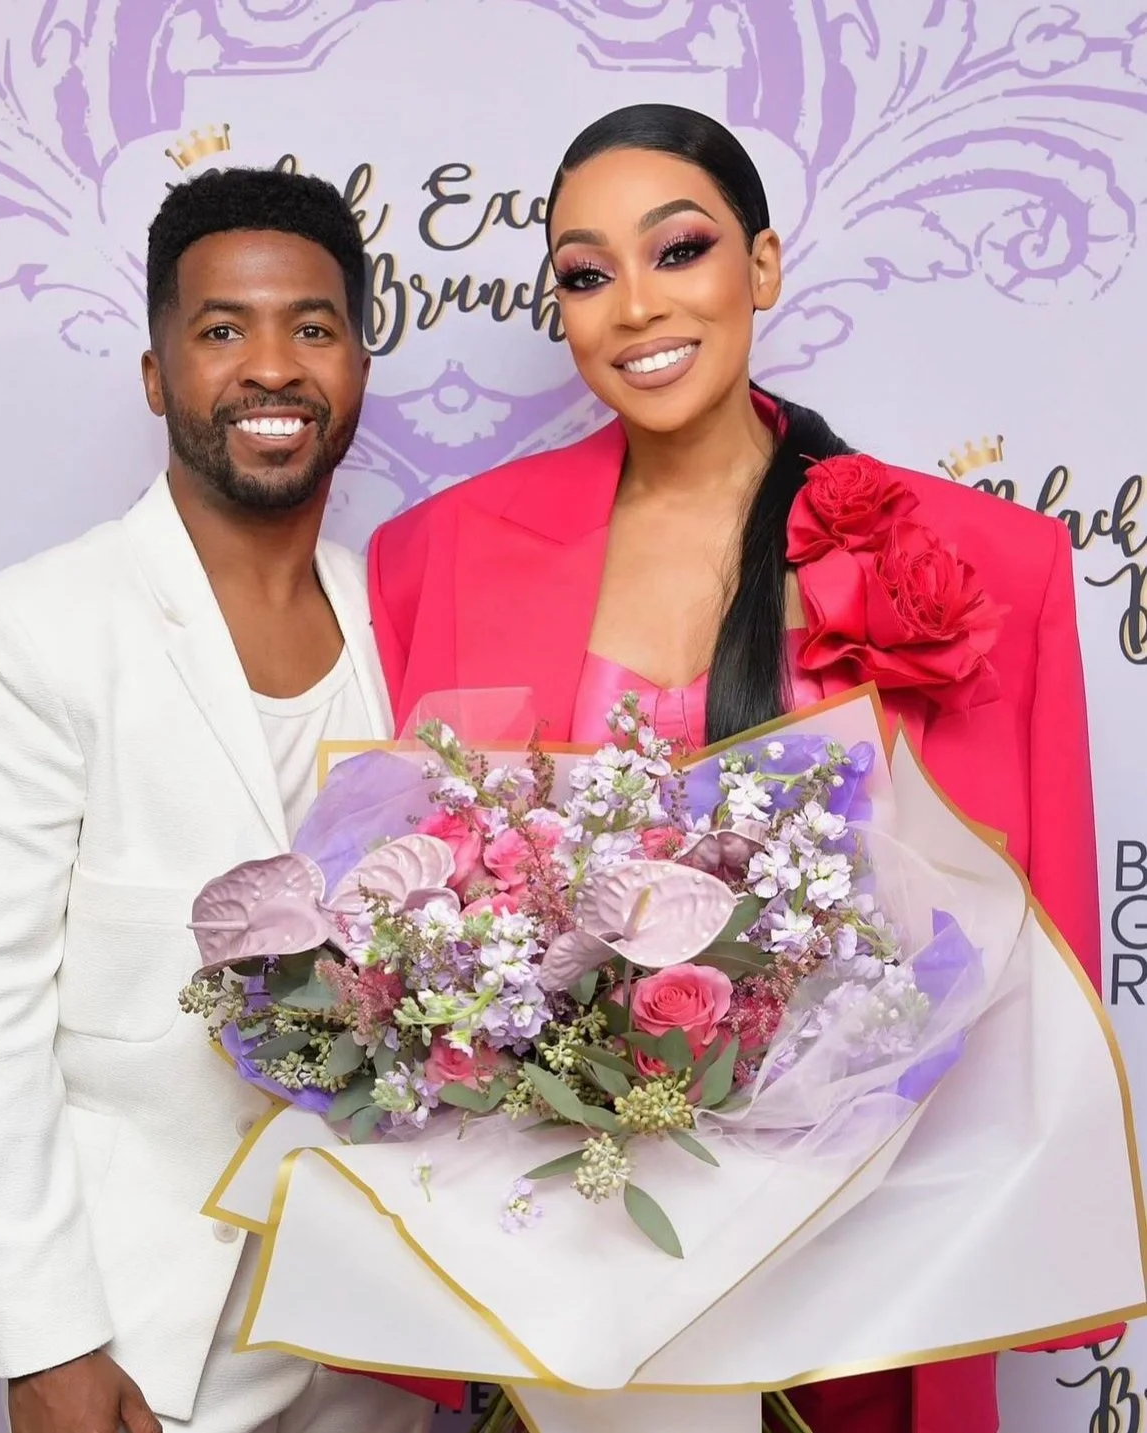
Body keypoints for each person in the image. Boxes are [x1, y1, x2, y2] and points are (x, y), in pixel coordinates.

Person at [367, 104, 1113, 1433]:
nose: (634, 305)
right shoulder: (442, 555)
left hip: (850, 1278)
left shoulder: (966, 562)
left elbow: (1031, 943)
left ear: (760, 267)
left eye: (680, 250)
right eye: (587, 274)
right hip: (553, 1271)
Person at [0, 166, 433, 1433]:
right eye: (220, 330)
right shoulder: (30, 632)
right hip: (141, 1336)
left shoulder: (407, 625)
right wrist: (48, 1344)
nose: (272, 368)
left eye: (313, 327)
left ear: (360, 361)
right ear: (156, 375)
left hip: (379, 1331)